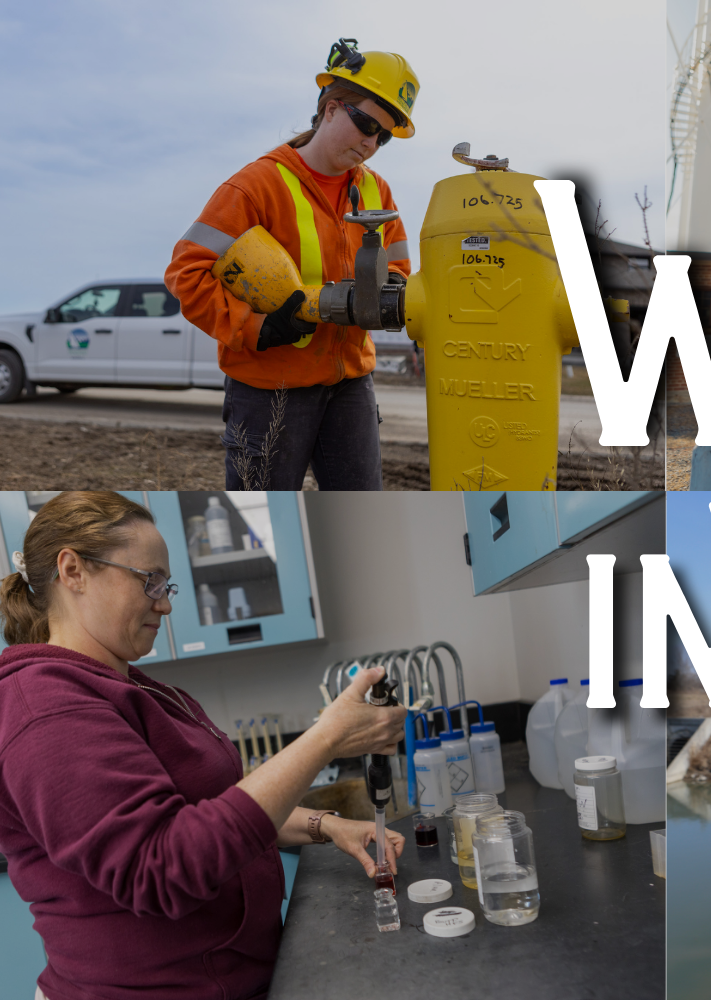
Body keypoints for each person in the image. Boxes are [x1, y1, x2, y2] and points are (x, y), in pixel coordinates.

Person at [0, 491, 408, 1000]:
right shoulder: (45, 706)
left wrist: (326, 825)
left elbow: (212, 813)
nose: (166, 602)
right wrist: (327, 737)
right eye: (148, 580)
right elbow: (162, 869)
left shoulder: (130, 684)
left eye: (165, 583)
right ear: (74, 570)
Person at [166, 39, 420, 489]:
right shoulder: (256, 186)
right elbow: (187, 273)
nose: (371, 142)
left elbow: (399, 272)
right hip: (270, 388)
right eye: (365, 123)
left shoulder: (377, 191)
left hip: (350, 383)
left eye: (383, 136)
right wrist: (253, 327)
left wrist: (388, 301)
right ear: (331, 108)